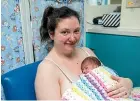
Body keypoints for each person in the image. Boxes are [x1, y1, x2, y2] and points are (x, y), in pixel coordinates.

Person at [35, 6, 133, 100]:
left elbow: (109, 78)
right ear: (51, 34)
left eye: (76, 31)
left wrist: (128, 83)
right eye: (65, 32)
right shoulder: (46, 69)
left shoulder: (87, 52)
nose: (73, 38)